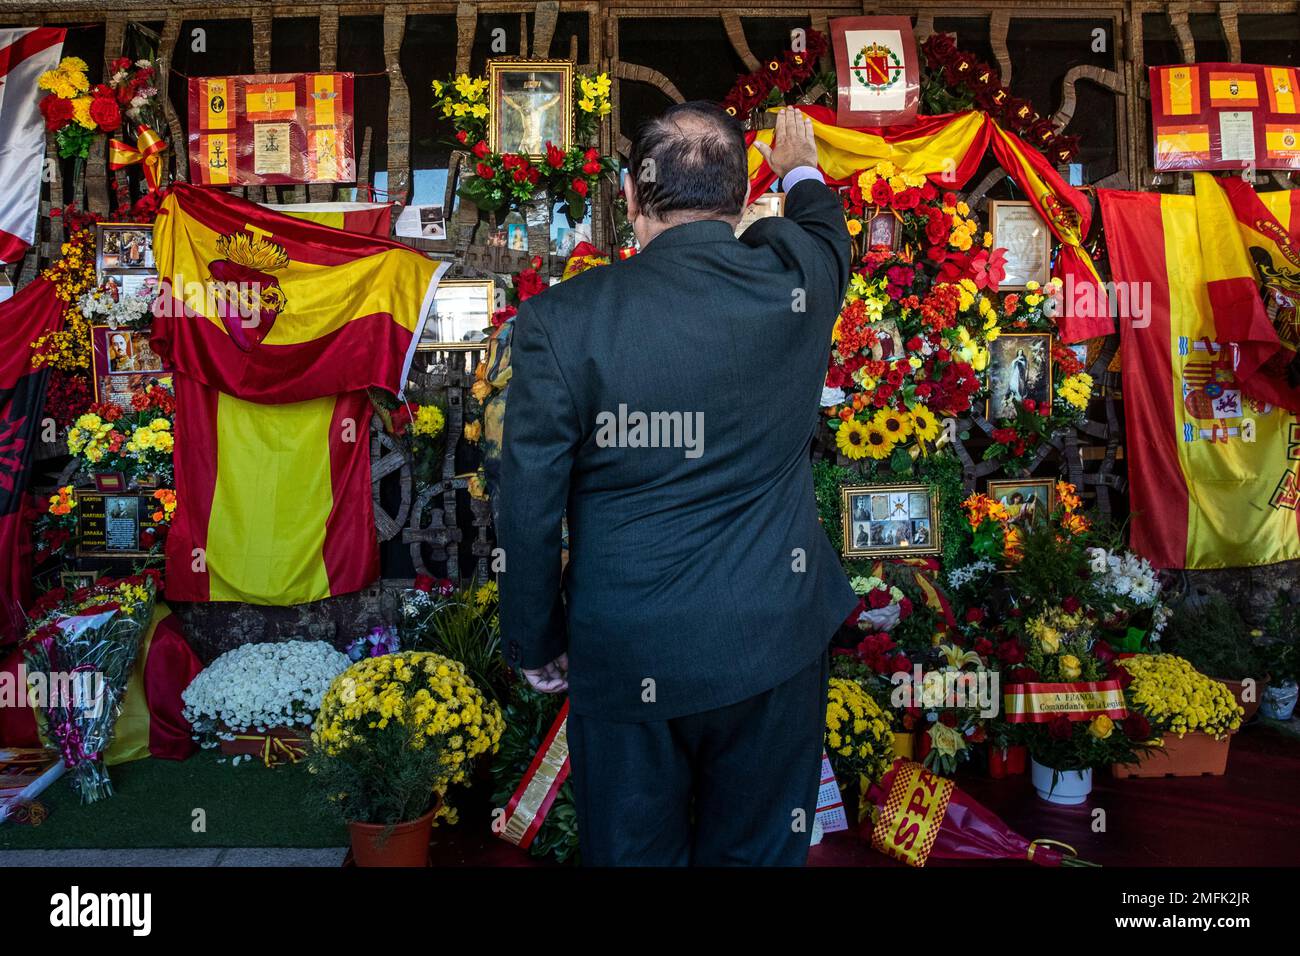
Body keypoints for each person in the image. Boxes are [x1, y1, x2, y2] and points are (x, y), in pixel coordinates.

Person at [498, 104, 856, 866]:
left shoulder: (562, 321)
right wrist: (795, 169)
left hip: (629, 647)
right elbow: (821, 225)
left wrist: (534, 638)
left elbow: (527, 507)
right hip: (772, 637)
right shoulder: (795, 281)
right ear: (736, 196)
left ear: (631, 195)